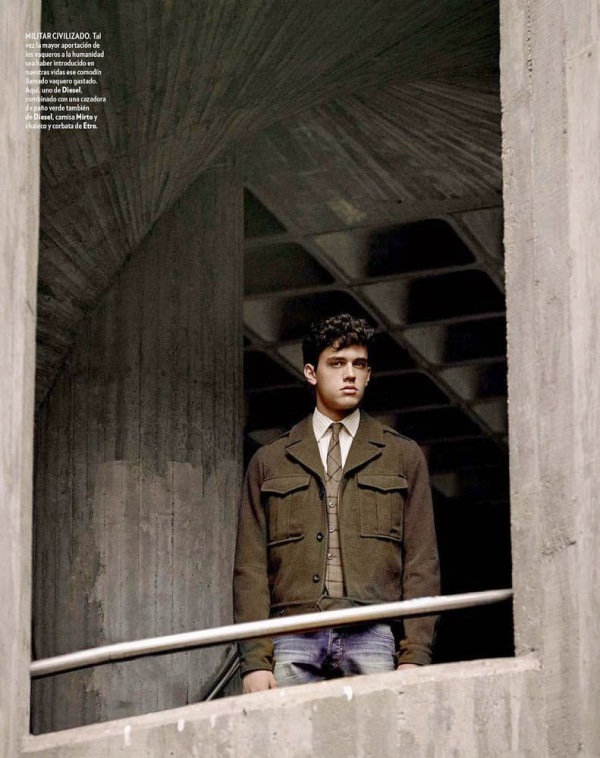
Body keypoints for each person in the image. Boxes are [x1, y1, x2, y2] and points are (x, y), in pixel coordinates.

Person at [233, 313, 439, 693]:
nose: (350, 375)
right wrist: (255, 661)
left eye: (359, 365)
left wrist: (415, 654)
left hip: (372, 632)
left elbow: (421, 563)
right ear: (311, 373)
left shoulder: (402, 456)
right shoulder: (270, 461)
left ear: (369, 374)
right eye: (337, 363)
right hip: (291, 634)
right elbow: (250, 569)